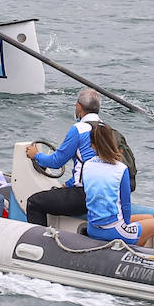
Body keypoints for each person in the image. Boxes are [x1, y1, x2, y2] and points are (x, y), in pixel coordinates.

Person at [80, 123, 154, 250]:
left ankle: (133, 252)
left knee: (149, 218)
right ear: (112, 141)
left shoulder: (87, 165)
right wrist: (126, 228)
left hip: (93, 228)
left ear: (93, 145)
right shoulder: (121, 169)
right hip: (114, 231)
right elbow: (126, 206)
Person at [23, 88, 102, 226]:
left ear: (78, 106)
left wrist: (36, 155)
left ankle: (39, 243)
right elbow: (93, 164)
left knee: (34, 203)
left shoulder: (78, 129)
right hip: (103, 193)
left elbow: (56, 161)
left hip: (84, 196)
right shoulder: (106, 128)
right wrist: (70, 183)